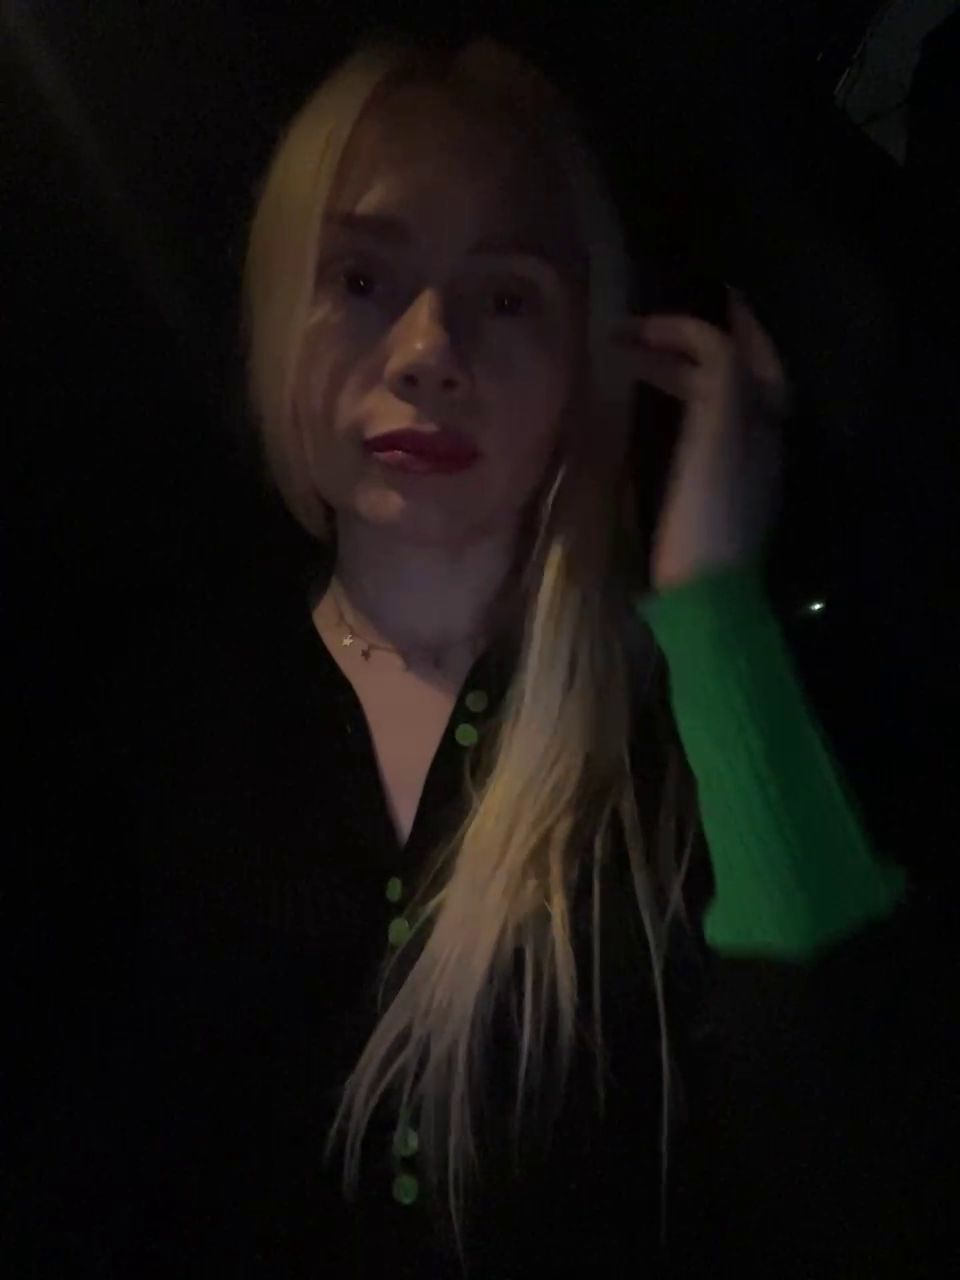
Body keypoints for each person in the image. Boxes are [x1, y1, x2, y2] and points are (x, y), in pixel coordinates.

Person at [5, 32, 916, 1280]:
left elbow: (855, 1166)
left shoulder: (689, 728)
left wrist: (715, 613)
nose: (430, 347)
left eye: (506, 296)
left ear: (589, 353)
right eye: (363, 277)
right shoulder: (157, 717)